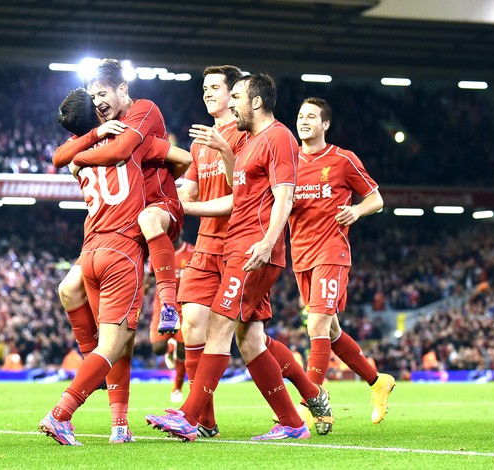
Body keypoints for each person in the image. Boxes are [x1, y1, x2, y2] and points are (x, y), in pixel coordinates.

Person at [145, 73, 313, 442]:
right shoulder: (250, 142)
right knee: (250, 339)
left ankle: (191, 417)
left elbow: (285, 195)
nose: (232, 102)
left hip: (253, 248)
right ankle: (294, 420)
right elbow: (239, 193)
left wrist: (269, 242)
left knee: (219, 327)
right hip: (239, 245)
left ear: (255, 102)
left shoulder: (280, 137)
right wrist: (222, 157)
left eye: (236, 95)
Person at [38, 62, 191, 446]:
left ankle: (119, 425)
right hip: (124, 249)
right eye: (95, 99)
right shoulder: (130, 142)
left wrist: (84, 148)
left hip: (90, 249)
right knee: (113, 345)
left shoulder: (80, 159)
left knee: (112, 339)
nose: (100, 102)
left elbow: (61, 158)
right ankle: (61, 413)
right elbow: (178, 156)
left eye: (102, 94)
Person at [289, 97, 395, 428]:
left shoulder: (342, 159)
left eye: (312, 117)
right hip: (300, 255)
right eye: (301, 115)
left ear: (325, 125)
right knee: (331, 330)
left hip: (332, 251)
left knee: (317, 326)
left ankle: (312, 404)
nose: (304, 121)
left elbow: (376, 199)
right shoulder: (288, 162)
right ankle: (378, 381)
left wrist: (356, 211)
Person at [147, 233, 195, 403]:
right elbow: (150, 278)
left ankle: (177, 389)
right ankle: (169, 348)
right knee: (157, 348)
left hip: (184, 305)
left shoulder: (192, 252)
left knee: (184, 351)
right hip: (163, 305)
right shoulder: (158, 253)